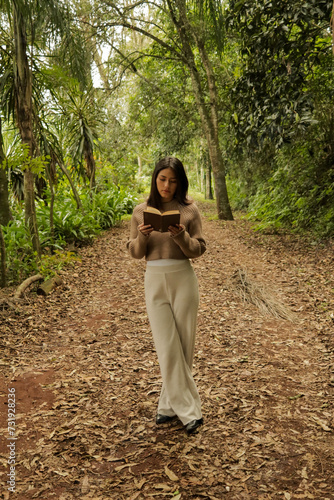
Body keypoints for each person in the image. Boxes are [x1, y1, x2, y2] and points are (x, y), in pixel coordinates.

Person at [127, 156, 206, 434]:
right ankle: (188, 410)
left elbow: (198, 250)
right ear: (155, 178)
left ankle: (168, 407)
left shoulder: (189, 210)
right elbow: (136, 253)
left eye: (173, 181)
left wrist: (181, 236)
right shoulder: (141, 211)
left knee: (183, 345)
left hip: (182, 277)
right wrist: (143, 236)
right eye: (162, 179)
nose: (167, 185)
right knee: (165, 344)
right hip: (154, 278)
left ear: (180, 182)